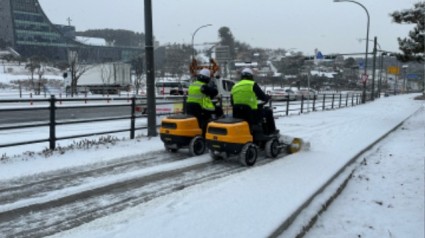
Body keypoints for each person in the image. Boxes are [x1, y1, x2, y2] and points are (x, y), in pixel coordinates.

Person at [231, 68, 277, 135]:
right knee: (268, 111)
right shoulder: (252, 84)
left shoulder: (234, 86)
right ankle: (271, 131)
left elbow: (232, 102)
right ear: (251, 76)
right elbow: (263, 97)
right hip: (252, 114)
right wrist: (267, 97)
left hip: (237, 114)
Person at [185, 68, 223, 134]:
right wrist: (213, 86)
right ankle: (218, 130)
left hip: (189, 108)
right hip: (200, 108)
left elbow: (202, 95)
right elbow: (214, 92)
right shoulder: (203, 86)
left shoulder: (192, 85)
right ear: (207, 78)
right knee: (219, 110)